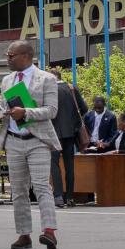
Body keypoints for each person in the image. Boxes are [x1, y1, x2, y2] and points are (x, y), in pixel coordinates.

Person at [0, 40, 60, 249]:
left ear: (25, 56)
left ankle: (49, 231)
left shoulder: (47, 79)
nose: (7, 59)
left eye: (10, 55)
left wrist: (26, 112)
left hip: (38, 140)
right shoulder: (7, 80)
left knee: (41, 186)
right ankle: (24, 234)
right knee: (18, 190)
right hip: (13, 140)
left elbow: (52, 110)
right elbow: (5, 106)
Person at [49, 66, 89, 207]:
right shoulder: (72, 88)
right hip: (70, 133)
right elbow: (84, 109)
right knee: (69, 165)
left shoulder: (49, 90)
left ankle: (58, 196)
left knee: (54, 163)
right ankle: (70, 197)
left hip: (53, 132)